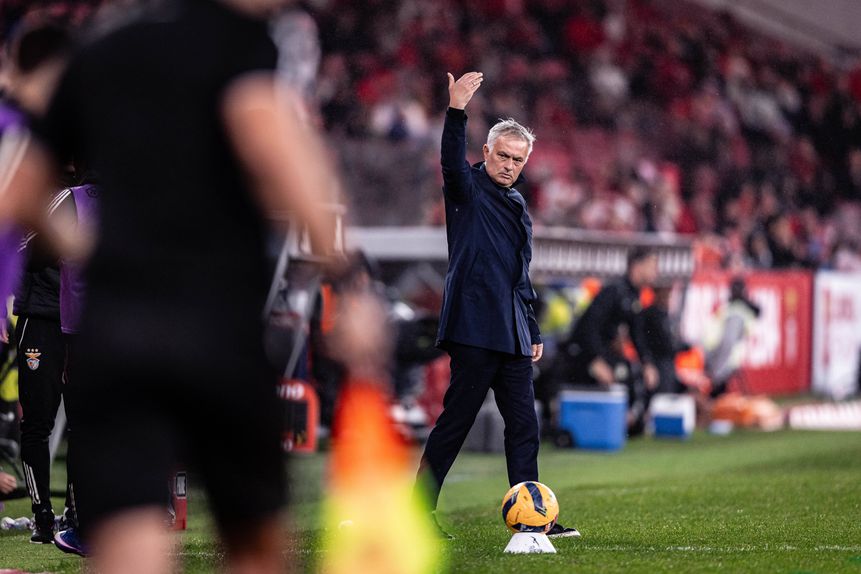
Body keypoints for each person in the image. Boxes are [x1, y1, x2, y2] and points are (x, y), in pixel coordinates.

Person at [0, 0, 357, 571]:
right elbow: (273, 148)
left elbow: (16, 196)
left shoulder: (97, 48)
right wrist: (345, 272)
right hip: (212, 322)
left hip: (113, 334)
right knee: (253, 540)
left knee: (128, 537)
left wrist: (88, 252)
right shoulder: (240, 41)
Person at [415, 70, 579, 539]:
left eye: (517, 159)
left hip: (511, 330)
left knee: (524, 425)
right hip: (473, 328)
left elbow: (518, 274)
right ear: (485, 153)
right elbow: (449, 162)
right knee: (456, 423)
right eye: (502, 155)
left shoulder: (518, 206)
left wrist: (533, 329)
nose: (509, 165)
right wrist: (456, 111)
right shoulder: (466, 190)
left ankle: (533, 516)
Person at [556, 247, 660, 391]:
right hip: (582, 355)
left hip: (602, 354)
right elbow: (588, 327)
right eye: (652, 265)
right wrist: (595, 360)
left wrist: (647, 363)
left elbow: (637, 334)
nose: (656, 271)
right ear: (637, 266)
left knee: (632, 376)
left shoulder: (634, 296)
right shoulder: (614, 291)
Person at [703, 277, 760, 398]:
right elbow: (727, 341)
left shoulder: (733, 311)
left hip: (718, 358)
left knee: (717, 399)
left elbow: (727, 341)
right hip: (721, 358)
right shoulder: (736, 311)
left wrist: (717, 371)